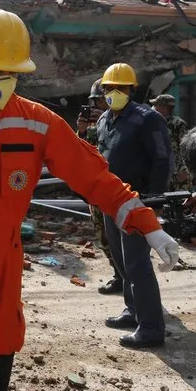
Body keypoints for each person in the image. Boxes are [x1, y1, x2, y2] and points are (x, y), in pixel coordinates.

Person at [0, 10, 179, 391]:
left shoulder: (37, 123)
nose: (4, 82)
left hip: (6, 255)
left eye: (13, 73)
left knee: (3, 346)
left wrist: (148, 224)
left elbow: (93, 177)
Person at [97, 63, 173, 349]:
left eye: (120, 88)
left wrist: (154, 202)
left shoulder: (147, 119)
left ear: (131, 90)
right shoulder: (105, 120)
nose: (113, 92)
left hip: (137, 201)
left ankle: (151, 328)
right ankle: (133, 311)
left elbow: (162, 159)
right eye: (108, 88)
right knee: (122, 262)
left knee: (138, 264)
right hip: (111, 200)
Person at [77, 79, 123, 295]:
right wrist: (83, 131)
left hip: (116, 187)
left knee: (122, 237)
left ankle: (128, 277)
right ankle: (118, 275)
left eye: (98, 101)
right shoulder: (97, 125)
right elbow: (81, 152)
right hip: (95, 188)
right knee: (103, 235)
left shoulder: (120, 121)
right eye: (93, 102)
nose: (96, 106)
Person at [150, 94, 192, 192]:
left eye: (156, 105)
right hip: (162, 171)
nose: (154, 108)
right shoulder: (154, 123)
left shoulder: (178, 124)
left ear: (164, 108)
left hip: (178, 173)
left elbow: (186, 149)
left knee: (182, 200)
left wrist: (185, 170)